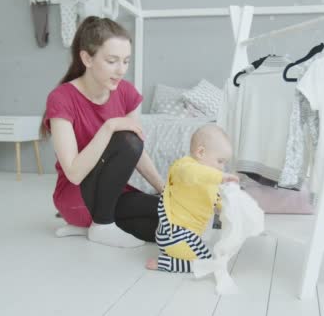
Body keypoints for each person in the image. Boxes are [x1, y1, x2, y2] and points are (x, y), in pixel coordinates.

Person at [40, 16, 165, 248]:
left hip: (113, 194)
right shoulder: (61, 98)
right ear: (87, 58)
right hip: (77, 197)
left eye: (126, 61)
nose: (121, 70)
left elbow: (137, 153)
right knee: (127, 138)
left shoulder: (126, 93)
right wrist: (108, 127)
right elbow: (74, 174)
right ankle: (101, 225)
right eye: (112, 61)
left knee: (166, 216)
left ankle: (92, 228)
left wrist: (164, 190)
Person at [146, 124, 239, 272]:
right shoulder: (185, 167)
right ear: (201, 152)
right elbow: (195, 174)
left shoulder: (209, 182)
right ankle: (165, 263)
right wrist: (220, 177)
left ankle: (176, 254)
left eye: (225, 163)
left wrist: (227, 209)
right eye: (220, 161)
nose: (222, 168)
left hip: (183, 236)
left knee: (210, 253)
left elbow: (216, 204)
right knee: (207, 264)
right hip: (174, 234)